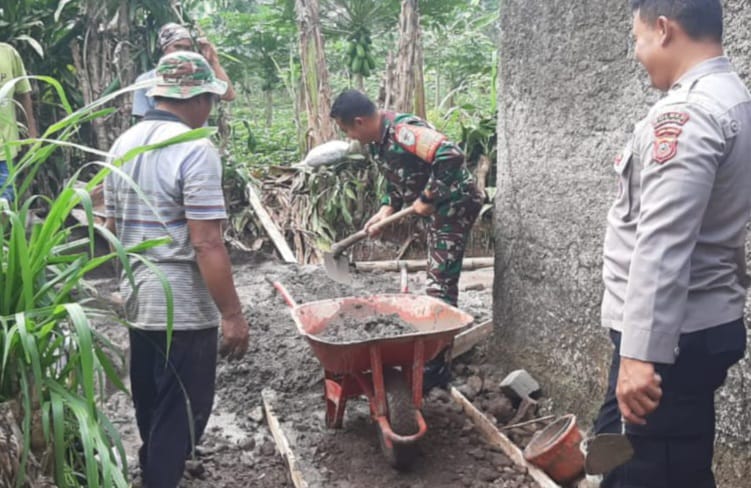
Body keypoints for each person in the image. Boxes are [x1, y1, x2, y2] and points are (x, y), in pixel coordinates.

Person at [594, 1, 751, 486]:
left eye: (637, 39)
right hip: (678, 334)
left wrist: (640, 358)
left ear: (664, 30)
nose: (637, 53)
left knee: (649, 472)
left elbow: (664, 243)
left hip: (666, 346)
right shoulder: (733, 99)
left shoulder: (689, 114)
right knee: (616, 449)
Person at [104, 51, 249, 487]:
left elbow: (110, 228)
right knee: (182, 414)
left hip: (138, 296)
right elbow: (206, 241)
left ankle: (155, 472)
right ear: (199, 99)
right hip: (182, 305)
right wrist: (232, 314)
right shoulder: (194, 147)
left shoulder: (122, 143)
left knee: (151, 404)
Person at [330, 90, 483, 391]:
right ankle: (433, 351)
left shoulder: (402, 132)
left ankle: (436, 366)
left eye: (346, 129)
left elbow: (450, 154)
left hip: (454, 205)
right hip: (438, 209)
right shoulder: (377, 142)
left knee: (440, 281)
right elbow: (397, 177)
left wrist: (429, 196)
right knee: (437, 273)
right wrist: (387, 207)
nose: (348, 136)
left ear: (359, 121)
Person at [131, 22, 235, 119]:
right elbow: (143, 118)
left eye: (187, 48)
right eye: (177, 46)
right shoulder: (146, 81)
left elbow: (228, 95)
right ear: (164, 47)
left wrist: (213, 61)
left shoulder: (199, 76)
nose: (182, 52)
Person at [0, 42, 37, 202]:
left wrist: (32, 130)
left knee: (5, 200)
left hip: (4, 147)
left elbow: (24, 92)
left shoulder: (8, 53)